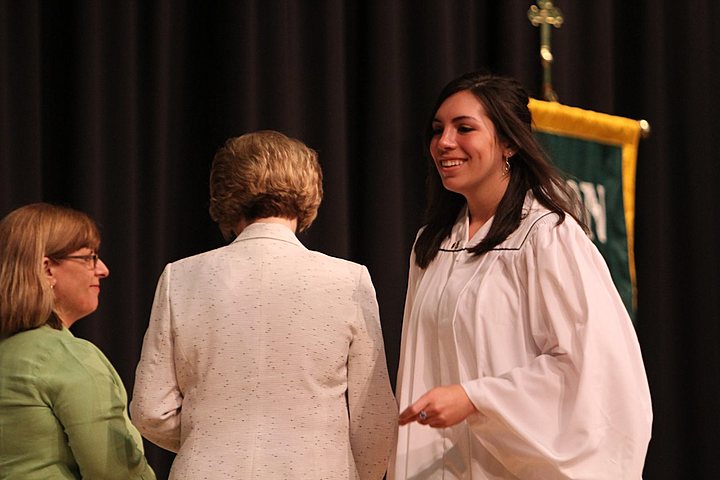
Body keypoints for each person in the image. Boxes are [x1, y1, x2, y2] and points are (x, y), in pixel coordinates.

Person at [388, 72, 652, 479]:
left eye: (465, 128)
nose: (444, 143)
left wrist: (475, 398)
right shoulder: (433, 244)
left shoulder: (548, 236)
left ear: (509, 142)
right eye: (438, 130)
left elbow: (589, 367)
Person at [131, 130, 398, 479]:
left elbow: (151, 409)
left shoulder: (181, 277)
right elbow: (373, 420)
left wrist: (214, 439)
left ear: (223, 192)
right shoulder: (348, 280)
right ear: (310, 189)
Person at [0, 203, 156, 479]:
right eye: (89, 258)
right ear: (47, 269)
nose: (103, 269)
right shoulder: (67, 357)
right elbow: (114, 472)